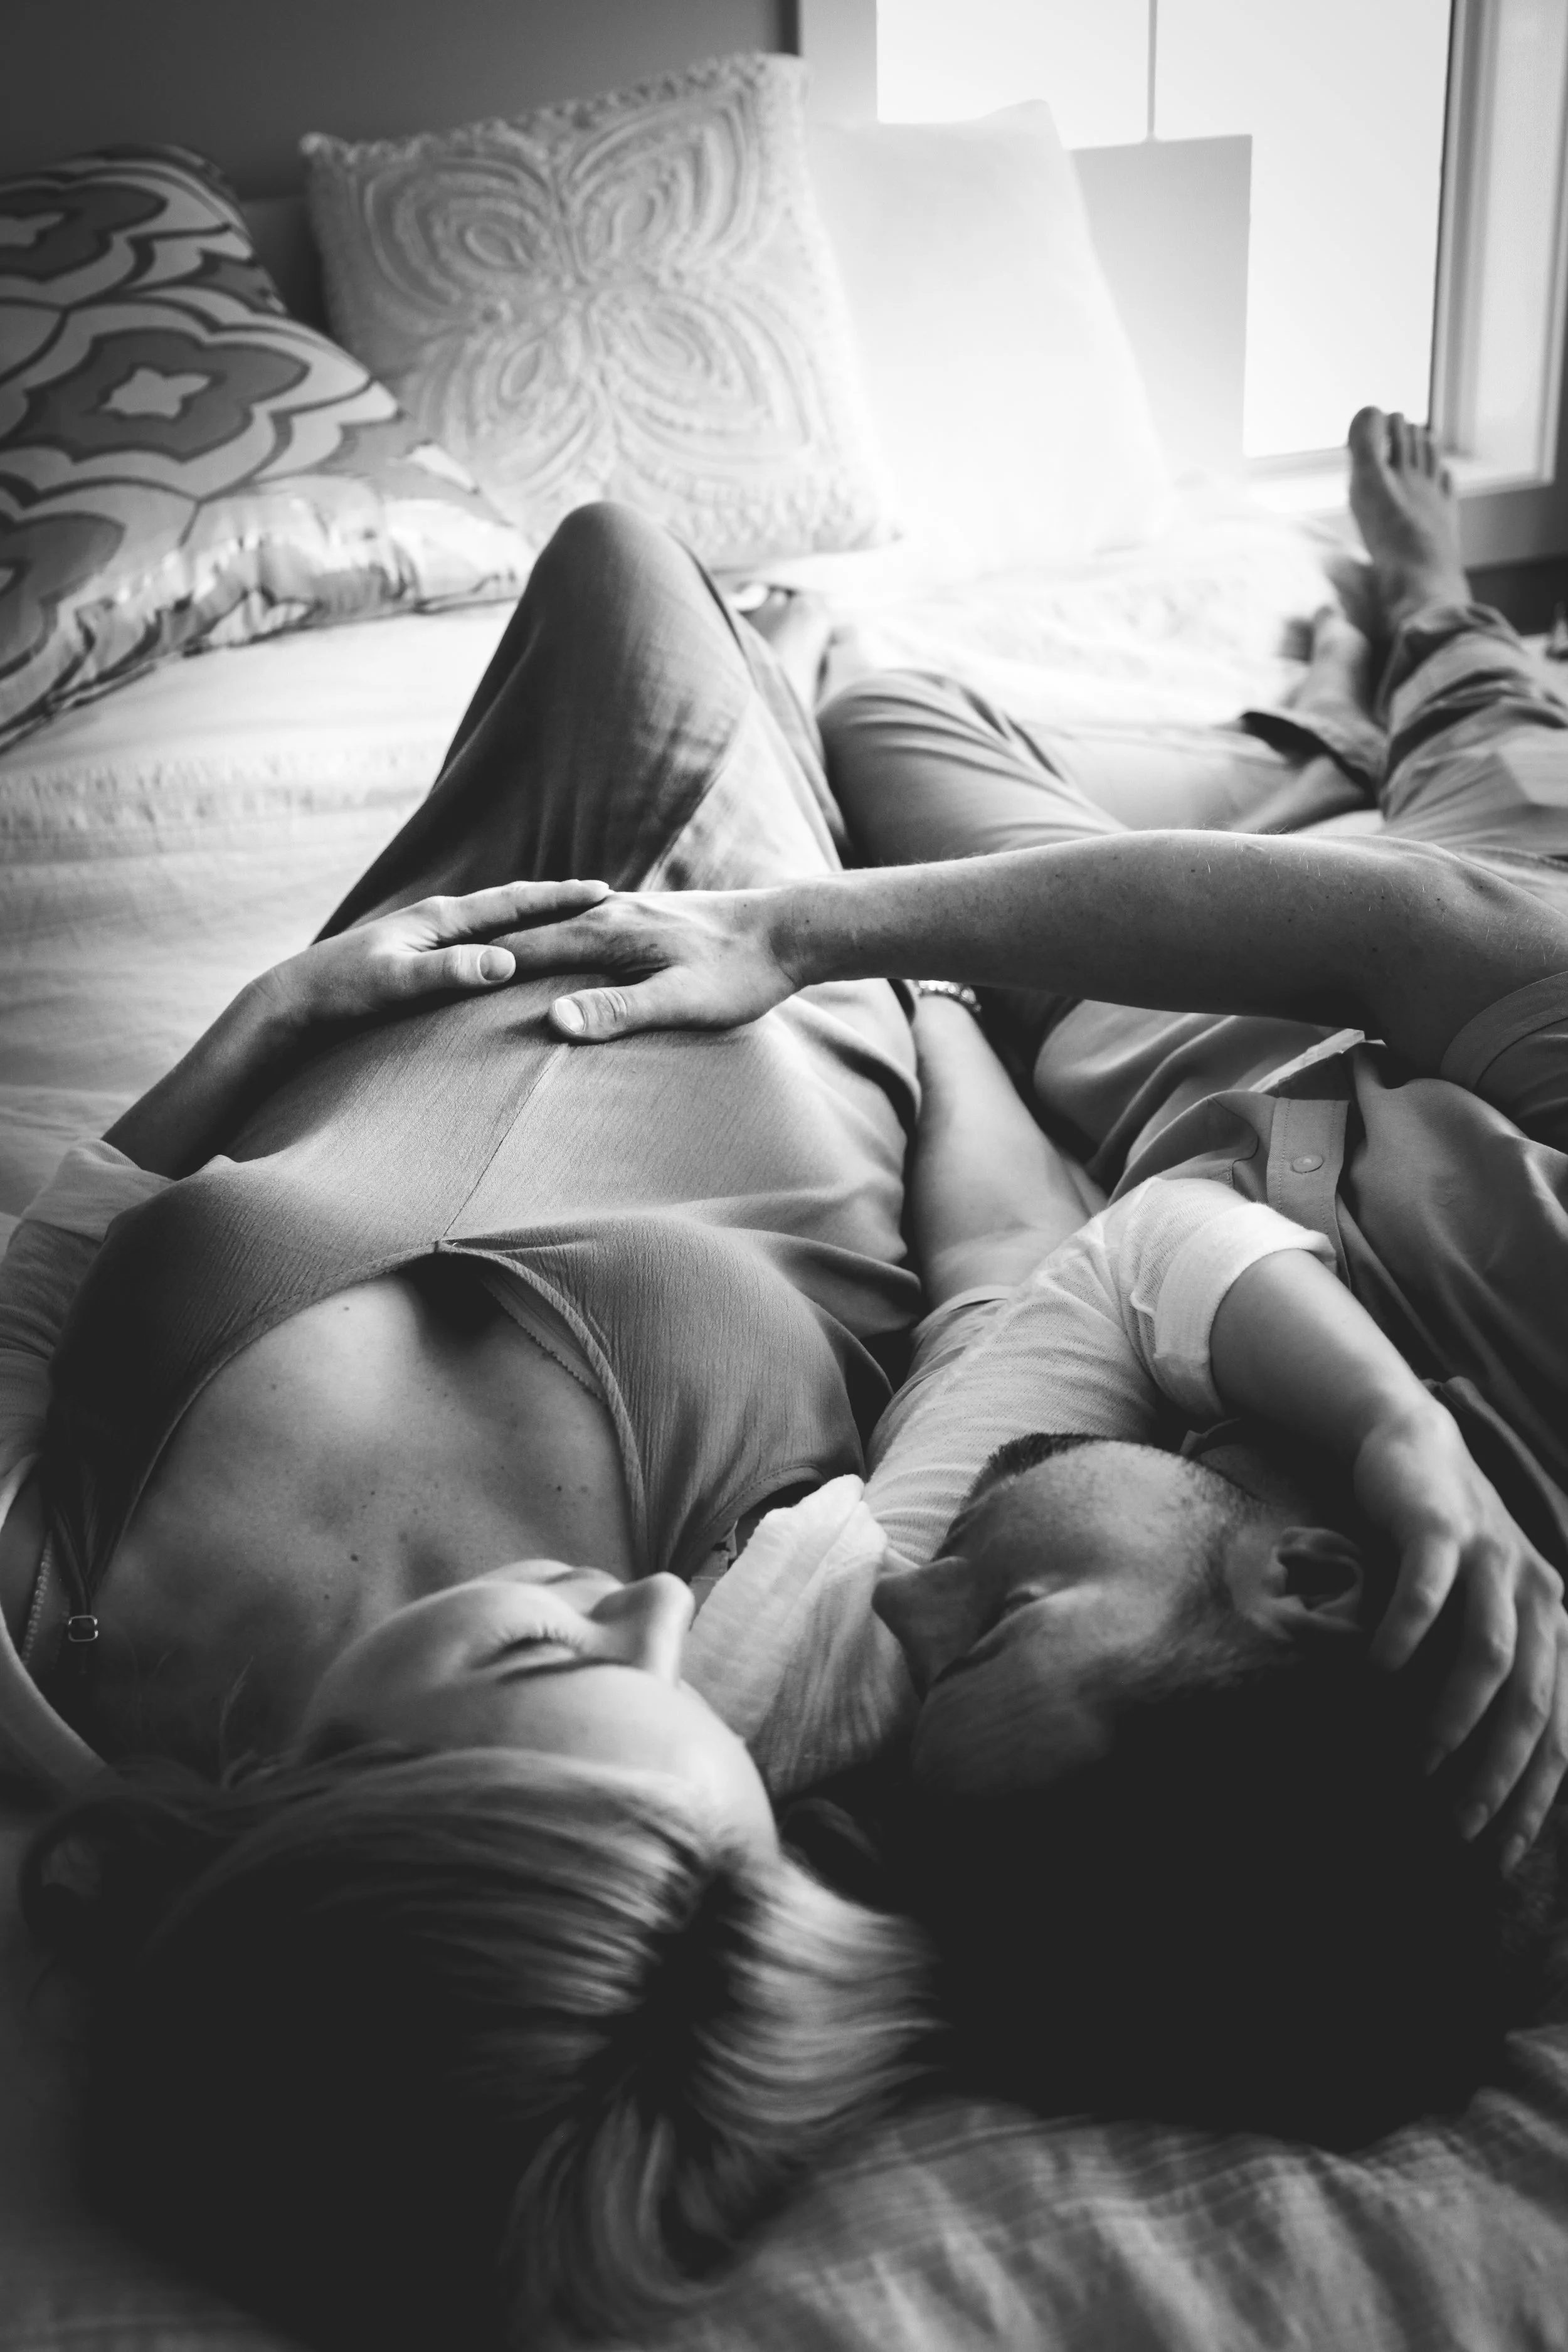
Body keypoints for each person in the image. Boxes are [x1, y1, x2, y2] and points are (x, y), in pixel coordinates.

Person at [487, 409, 1568, 2140]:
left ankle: (1312, 765)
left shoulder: (1097, 1726)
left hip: (1140, 1032)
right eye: (995, 1622)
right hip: (1474, 904)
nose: (902, 1605)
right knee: (1488, 730)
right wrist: (788, 929)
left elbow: (1028, 1276)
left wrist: (925, 999)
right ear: (1304, 1575)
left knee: (875, 712)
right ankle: (1429, 614)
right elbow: (1399, 928)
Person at [0, 502, 943, 2347]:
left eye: (543, 1651)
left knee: (607, 559)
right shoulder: (798, 1693)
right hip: (785, 979)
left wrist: (275, 1012)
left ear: (300, 1793)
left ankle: (800, 701)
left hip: (422, 964)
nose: (659, 1615)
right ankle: (810, 736)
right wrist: (914, 977)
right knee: (638, 573)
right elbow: (1050, 1287)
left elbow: (32, 1292)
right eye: (687, 1694)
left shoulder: (43, 1639)